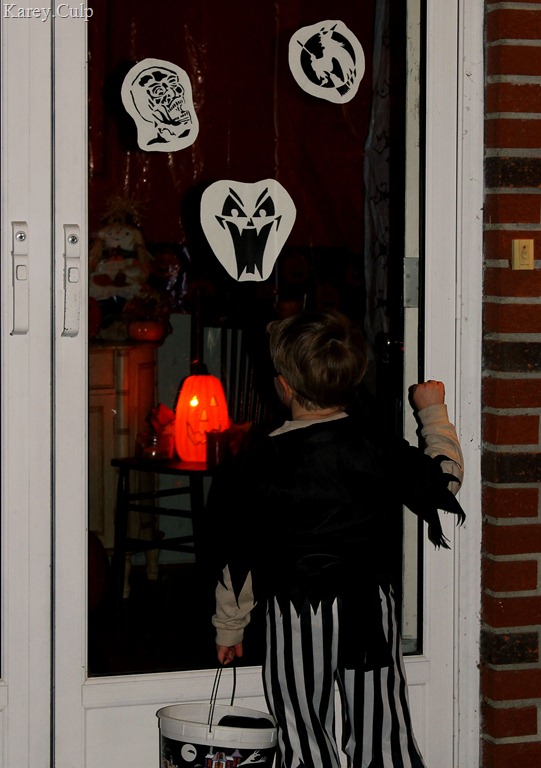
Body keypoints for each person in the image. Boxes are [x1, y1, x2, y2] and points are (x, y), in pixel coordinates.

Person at [209, 309, 465, 768]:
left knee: (303, 724)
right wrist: (432, 411)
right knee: (381, 723)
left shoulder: (264, 458)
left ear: (284, 387)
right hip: (370, 605)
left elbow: (242, 552)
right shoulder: (374, 444)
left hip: (298, 611)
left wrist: (230, 625)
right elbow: (443, 481)